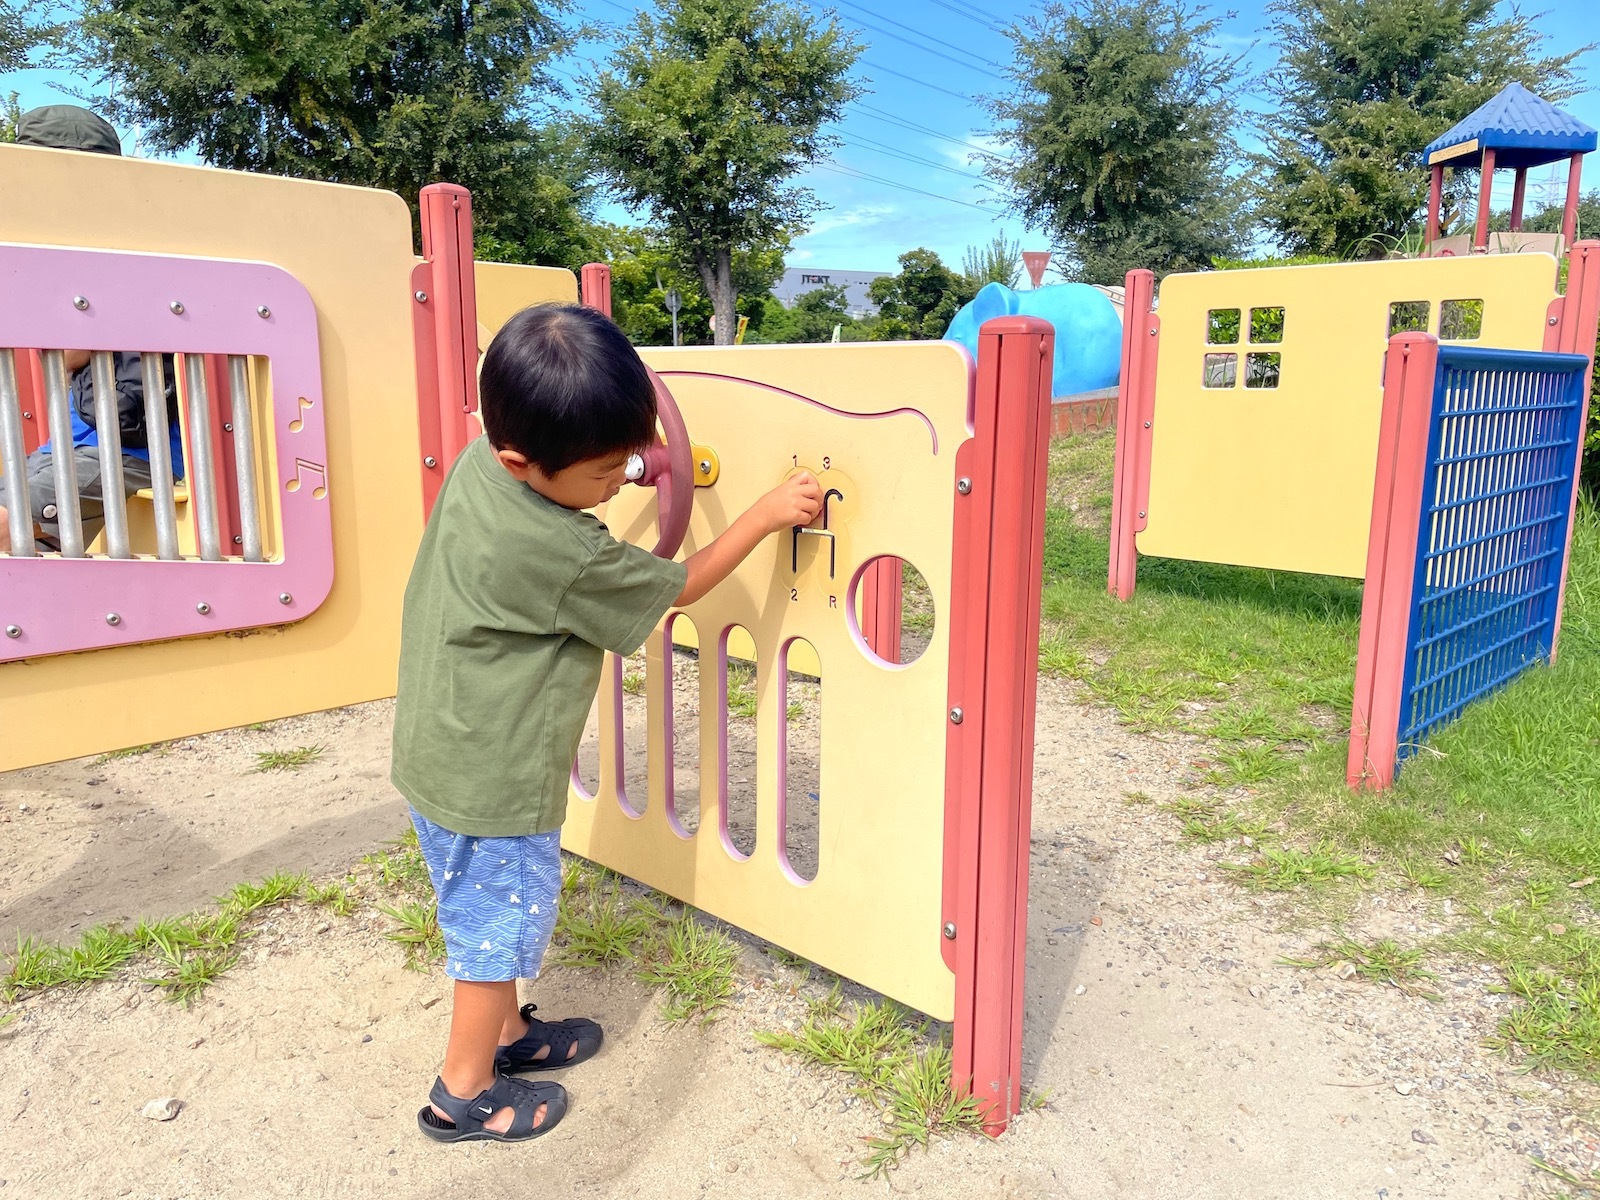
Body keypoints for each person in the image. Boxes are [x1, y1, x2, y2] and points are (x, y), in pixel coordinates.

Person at [391, 303, 822, 1143]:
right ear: (526, 460)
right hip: (493, 778)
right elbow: (679, 585)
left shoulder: (483, 465)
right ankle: (461, 1093)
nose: (622, 477)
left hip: (441, 748)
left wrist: (637, 460)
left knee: (494, 915)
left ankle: (509, 1038)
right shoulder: (555, 551)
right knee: (493, 937)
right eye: (604, 473)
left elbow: (577, 468)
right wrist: (765, 513)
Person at [0, 106, 184, 554]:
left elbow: (69, 355)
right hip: (75, 440)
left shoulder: (123, 251)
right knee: (28, 542)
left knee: (8, 525)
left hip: (132, 451)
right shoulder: (90, 245)